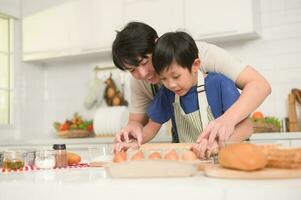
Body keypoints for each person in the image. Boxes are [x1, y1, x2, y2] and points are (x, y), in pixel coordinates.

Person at [112, 22, 271, 156]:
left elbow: (260, 85)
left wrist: (226, 123)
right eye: (132, 70)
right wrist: (133, 131)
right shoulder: (158, 89)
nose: (143, 74)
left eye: (145, 61)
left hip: (226, 153)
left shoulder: (203, 59)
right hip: (189, 157)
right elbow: (140, 124)